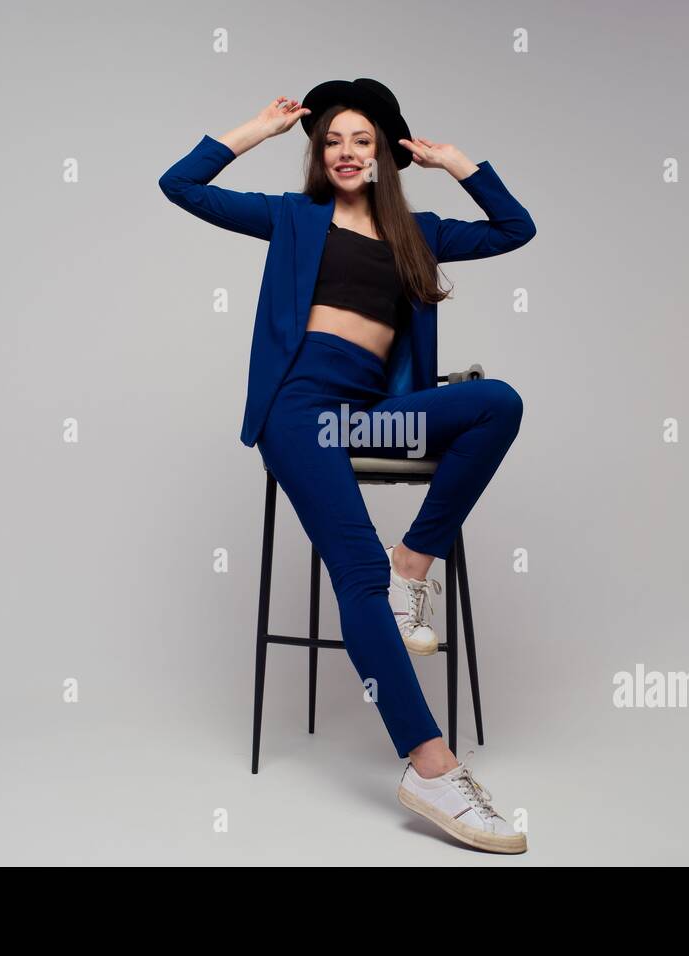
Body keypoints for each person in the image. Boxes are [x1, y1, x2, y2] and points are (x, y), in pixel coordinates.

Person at [159, 78, 535, 853]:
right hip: (300, 413)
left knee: (497, 403)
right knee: (354, 575)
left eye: (360, 140)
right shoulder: (291, 218)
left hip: (366, 415)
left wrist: (459, 162)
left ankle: (414, 565)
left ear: (384, 153)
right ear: (316, 154)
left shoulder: (417, 232)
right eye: (331, 140)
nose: (345, 152)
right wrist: (254, 132)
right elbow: (179, 185)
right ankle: (431, 768)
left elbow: (513, 228)